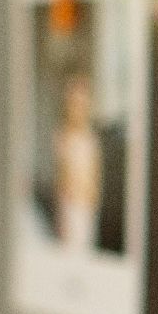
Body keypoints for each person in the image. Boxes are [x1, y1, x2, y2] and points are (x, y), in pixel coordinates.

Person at [54, 72, 102, 254]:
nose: (78, 109)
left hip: (87, 204)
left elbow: (95, 173)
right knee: (70, 247)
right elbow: (62, 176)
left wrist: (92, 197)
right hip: (70, 205)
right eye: (75, 104)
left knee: (86, 247)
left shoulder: (91, 139)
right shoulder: (63, 137)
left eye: (82, 104)